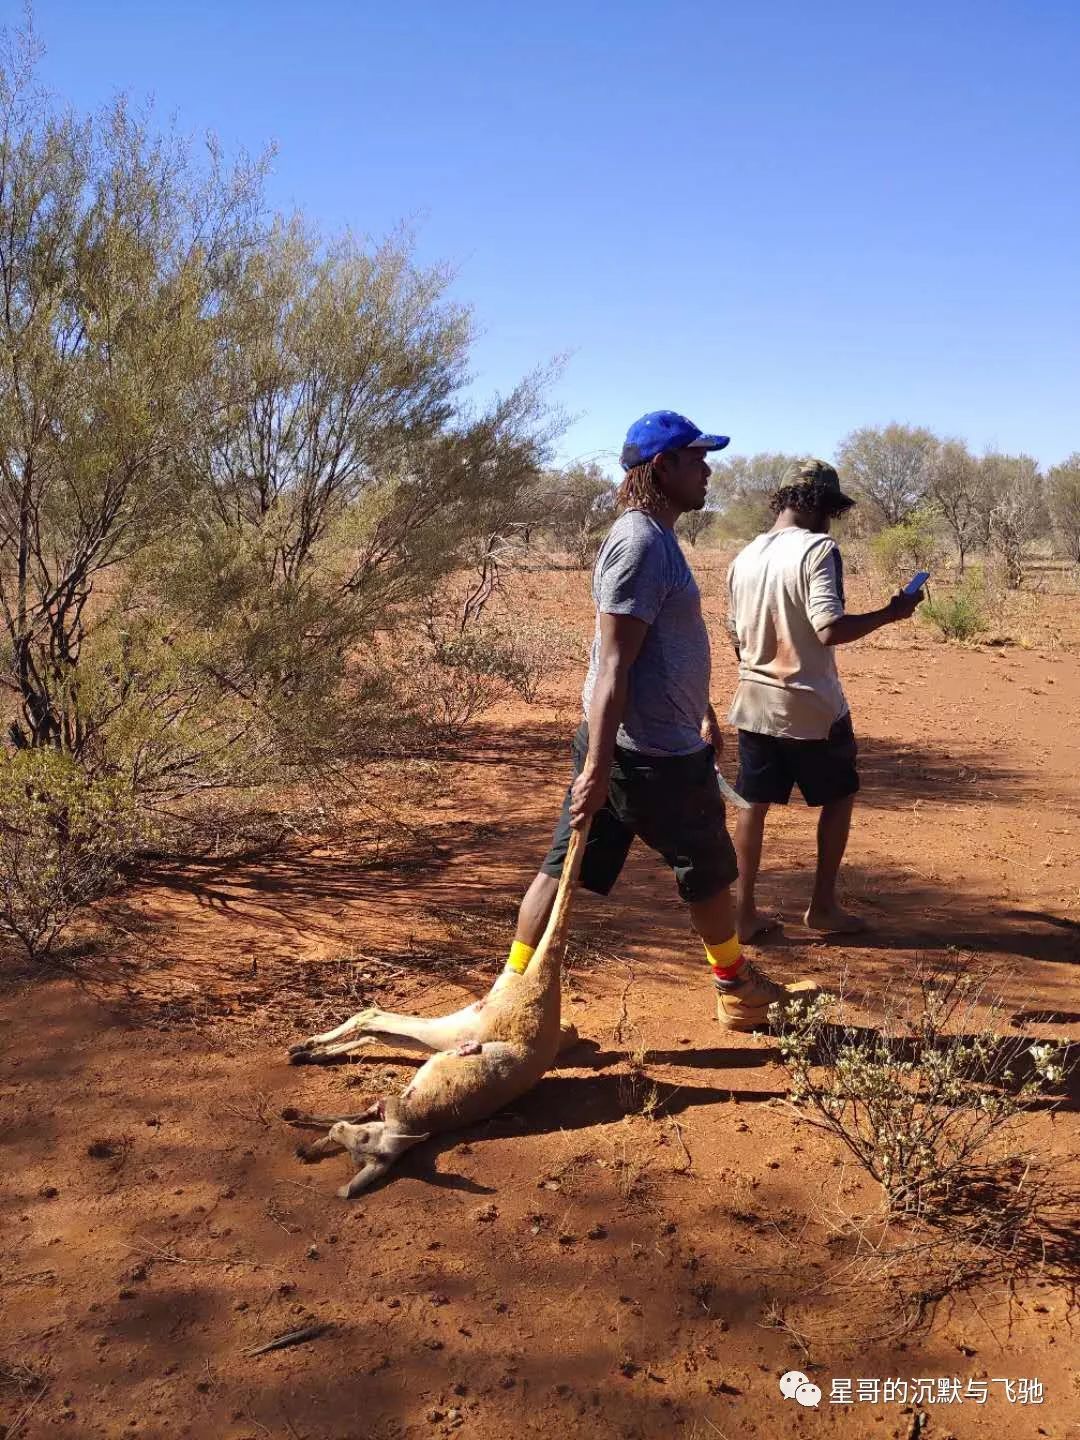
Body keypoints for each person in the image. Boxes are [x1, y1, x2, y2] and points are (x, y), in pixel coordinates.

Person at [506, 412, 819, 1031]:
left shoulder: (652, 537)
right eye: (696, 459)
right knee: (706, 870)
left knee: (562, 868)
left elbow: (653, 648)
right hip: (648, 757)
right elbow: (613, 665)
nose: (707, 470)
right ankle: (736, 991)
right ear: (663, 467)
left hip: (640, 744)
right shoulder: (641, 543)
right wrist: (597, 767)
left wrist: (695, 704)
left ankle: (516, 999)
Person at [725, 458, 924, 942]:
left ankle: (743, 913)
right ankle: (822, 906)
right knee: (839, 797)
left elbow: (735, 637)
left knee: (752, 805)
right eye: (831, 509)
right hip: (810, 706)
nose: (831, 520)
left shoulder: (744, 556)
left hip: (753, 701)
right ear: (818, 505)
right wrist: (890, 613)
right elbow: (829, 627)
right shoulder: (818, 550)